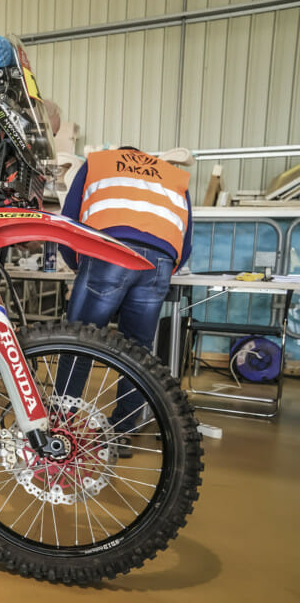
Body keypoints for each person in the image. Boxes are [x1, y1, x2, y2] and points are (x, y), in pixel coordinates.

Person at [59, 147, 192, 456]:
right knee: (136, 350)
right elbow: (185, 243)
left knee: (79, 342)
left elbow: (68, 219)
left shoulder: (98, 162)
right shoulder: (173, 174)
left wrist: (78, 264)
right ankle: (122, 434)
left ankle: (61, 428)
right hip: (159, 259)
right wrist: (163, 267)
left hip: (109, 249)